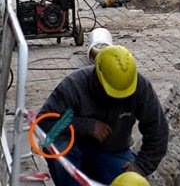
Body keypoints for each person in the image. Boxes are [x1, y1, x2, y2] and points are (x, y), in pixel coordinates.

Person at [37, 45, 168, 186]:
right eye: (112, 94)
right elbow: (44, 125)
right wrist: (87, 126)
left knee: (131, 181)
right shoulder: (74, 87)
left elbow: (158, 131)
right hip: (73, 149)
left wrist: (141, 166)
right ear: (96, 78)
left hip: (111, 152)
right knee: (60, 153)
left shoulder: (139, 87)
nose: (117, 100)